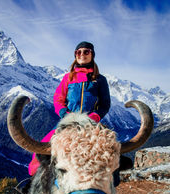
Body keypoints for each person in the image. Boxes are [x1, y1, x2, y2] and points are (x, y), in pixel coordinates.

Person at [28, 41, 111, 176]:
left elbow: (105, 104)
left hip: (91, 123)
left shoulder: (100, 80)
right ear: (75, 55)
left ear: (92, 55)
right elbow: (58, 99)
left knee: (108, 148)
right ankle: (35, 178)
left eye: (86, 52)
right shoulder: (69, 77)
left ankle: (111, 182)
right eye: (78, 52)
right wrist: (64, 113)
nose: (82, 54)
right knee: (44, 145)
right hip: (68, 121)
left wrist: (94, 117)